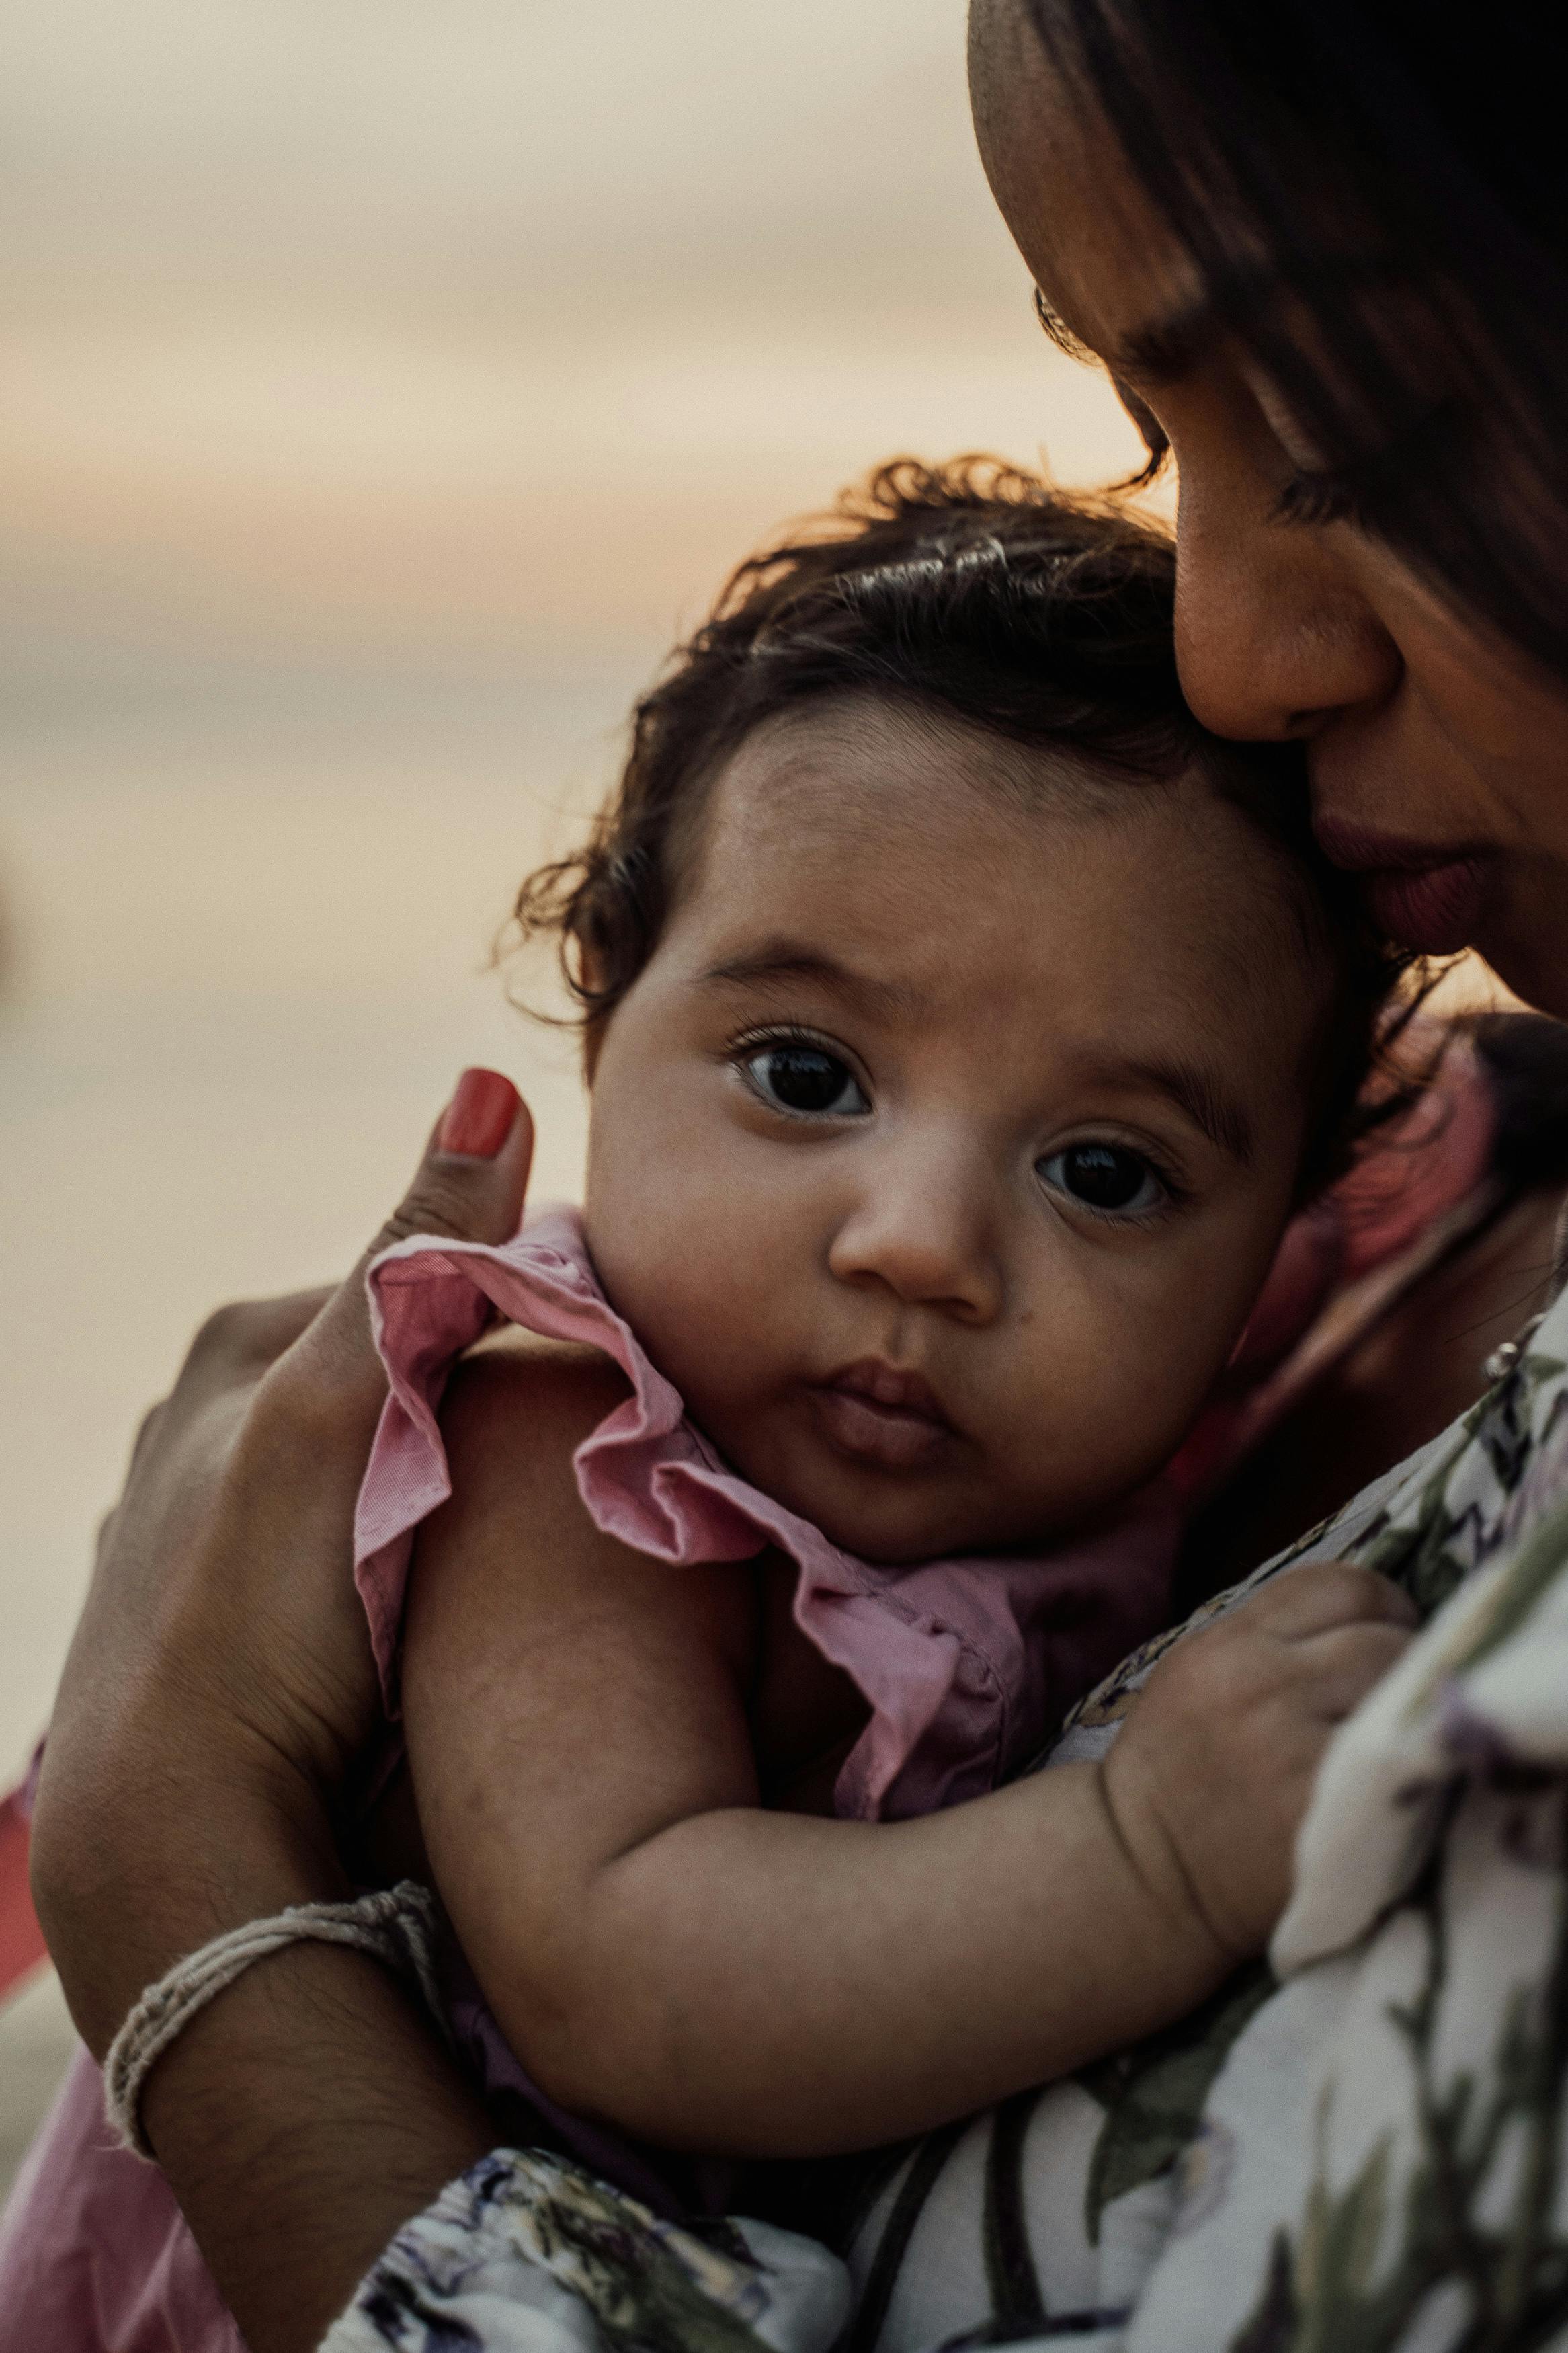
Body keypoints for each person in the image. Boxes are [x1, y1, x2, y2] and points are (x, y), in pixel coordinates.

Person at [19, 0, 1568, 2345]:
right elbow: (626, 1958)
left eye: (1108, 1170)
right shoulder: (592, 1444)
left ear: (1277, 1215)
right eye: (803, 1072)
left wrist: (182, 1876)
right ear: (598, 993)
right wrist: (1139, 1848)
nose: (922, 1240)